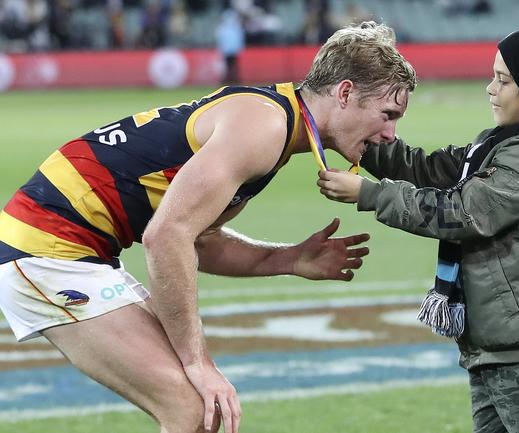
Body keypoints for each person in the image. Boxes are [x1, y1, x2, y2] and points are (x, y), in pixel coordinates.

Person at [0, 21, 416, 433]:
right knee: (194, 408)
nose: (390, 134)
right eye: (387, 113)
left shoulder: (276, 120)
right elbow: (166, 237)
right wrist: (198, 362)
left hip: (70, 249)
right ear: (345, 93)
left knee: (200, 412)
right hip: (46, 247)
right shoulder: (266, 127)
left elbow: (201, 240)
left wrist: (288, 258)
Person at [319, 14, 519, 433]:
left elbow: (460, 212)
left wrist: (369, 194)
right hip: (503, 344)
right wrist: (352, 131)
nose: (491, 89)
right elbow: (427, 169)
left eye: (504, 80)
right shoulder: (502, 146)